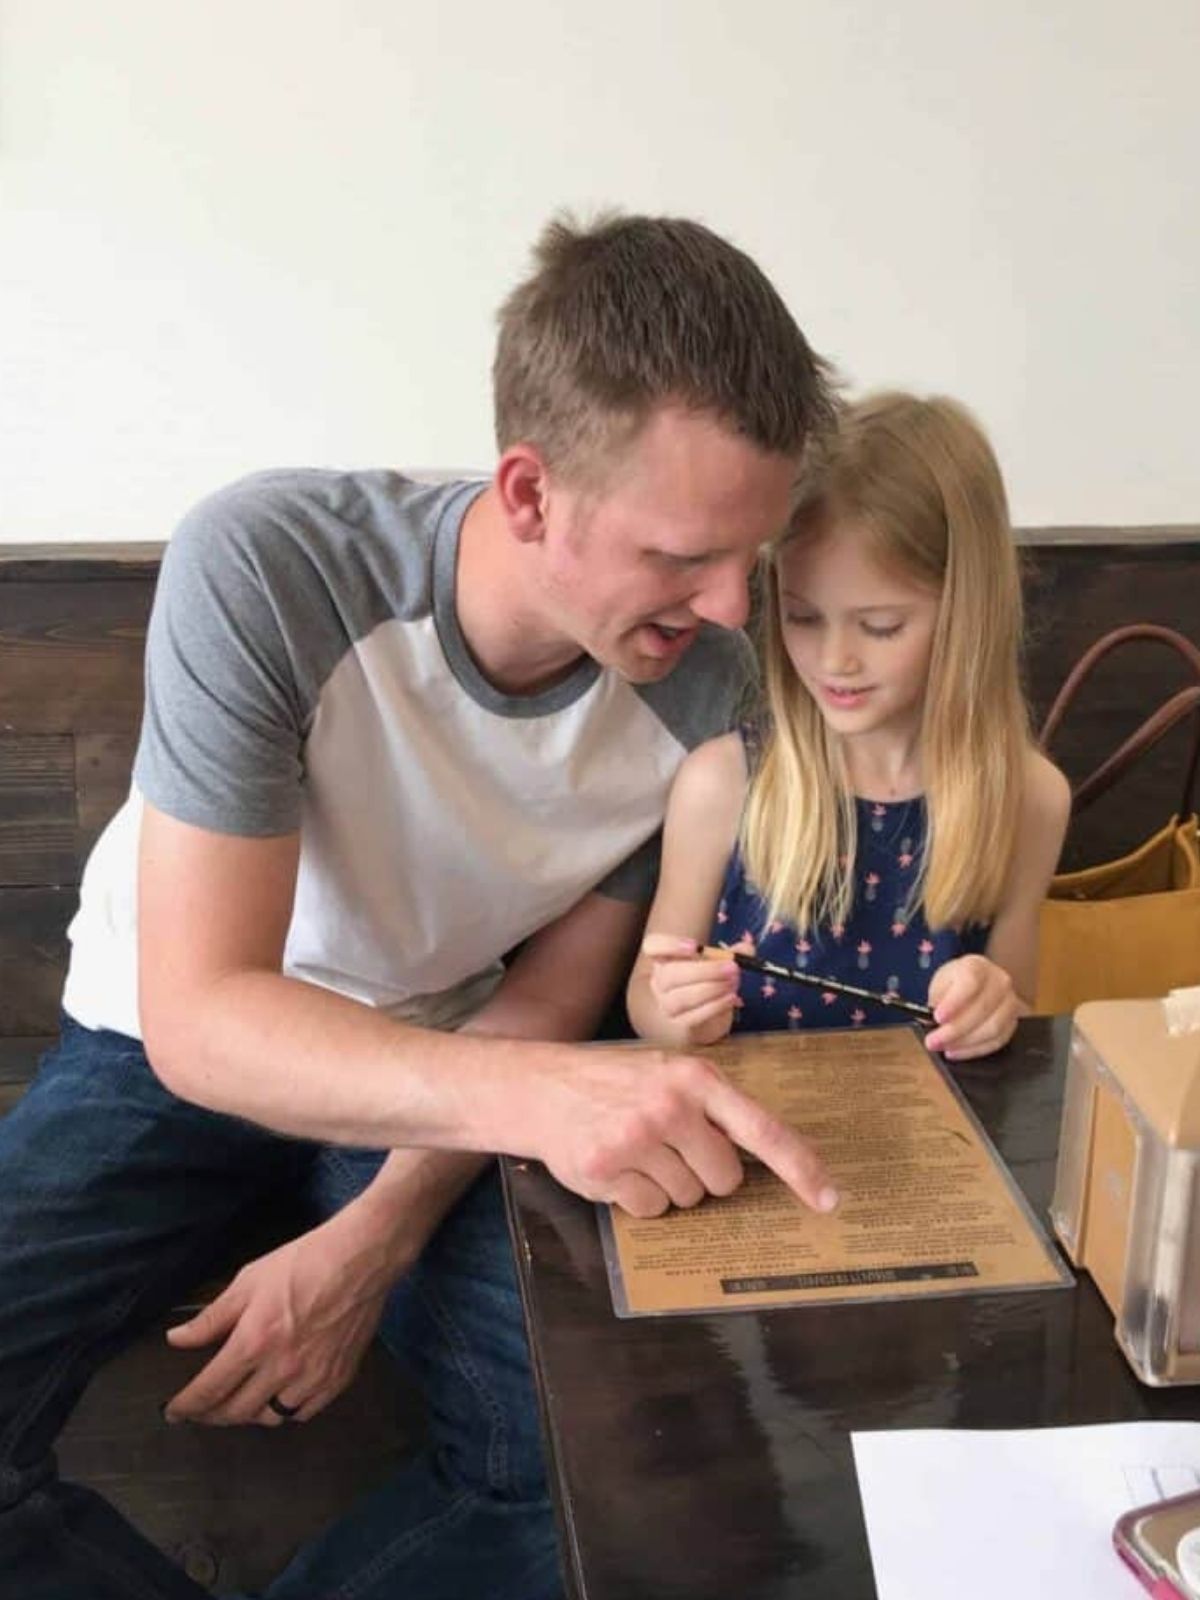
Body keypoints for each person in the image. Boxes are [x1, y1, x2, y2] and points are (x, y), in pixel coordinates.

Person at [0, 213, 839, 1600]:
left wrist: (375, 1234)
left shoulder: (712, 680)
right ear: (527, 495)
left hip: (455, 1069)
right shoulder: (270, 563)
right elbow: (202, 1023)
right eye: (684, 556)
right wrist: (559, 1103)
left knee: (611, 1481)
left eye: (755, 553)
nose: (737, 606)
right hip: (153, 1057)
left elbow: (556, 1001)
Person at [628, 391, 1071, 1061]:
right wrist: (675, 1010)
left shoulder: (1030, 799)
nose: (835, 659)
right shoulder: (722, 784)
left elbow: (1018, 1001)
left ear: (966, 613)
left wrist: (993, 1004)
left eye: (880, 626)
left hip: (928, 1154)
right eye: (802, 616)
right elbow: (646, 994)